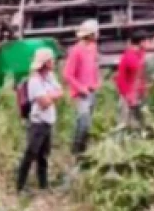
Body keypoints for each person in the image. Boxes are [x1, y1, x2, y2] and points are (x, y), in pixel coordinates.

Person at [17, 48, 62, 192]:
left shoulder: (50, 76)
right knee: (30, 153)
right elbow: (44, 103)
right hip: (38, 123)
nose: (53, 62)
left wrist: (49, 95)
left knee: (43, 155)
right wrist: (52, 95)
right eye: (51, 60)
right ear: (46, 62)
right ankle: (20, 185)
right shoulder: (35, 81)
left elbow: (60, 92)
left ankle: (43, 184)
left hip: (48, 121)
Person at [64, 19, 101, 156]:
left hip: (92, 91)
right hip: (82, 93)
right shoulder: (76, 50)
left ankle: (83, 152)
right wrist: (80, 88)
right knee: (83, 123)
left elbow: (94, 66)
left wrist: (97, 82)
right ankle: (76, 151)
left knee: (88, 124)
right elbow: (67, 74)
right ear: (90, 34)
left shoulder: (93, 48)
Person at [115, 33, 148, 130]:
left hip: (137, 93)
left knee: (138, 122)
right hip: (129, 94)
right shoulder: (130, 57)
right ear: (141, 42)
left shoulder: (139, 54)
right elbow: (122, 79)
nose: (148, 43)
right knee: (125, 123)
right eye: (147, 41)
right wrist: (129, 95)